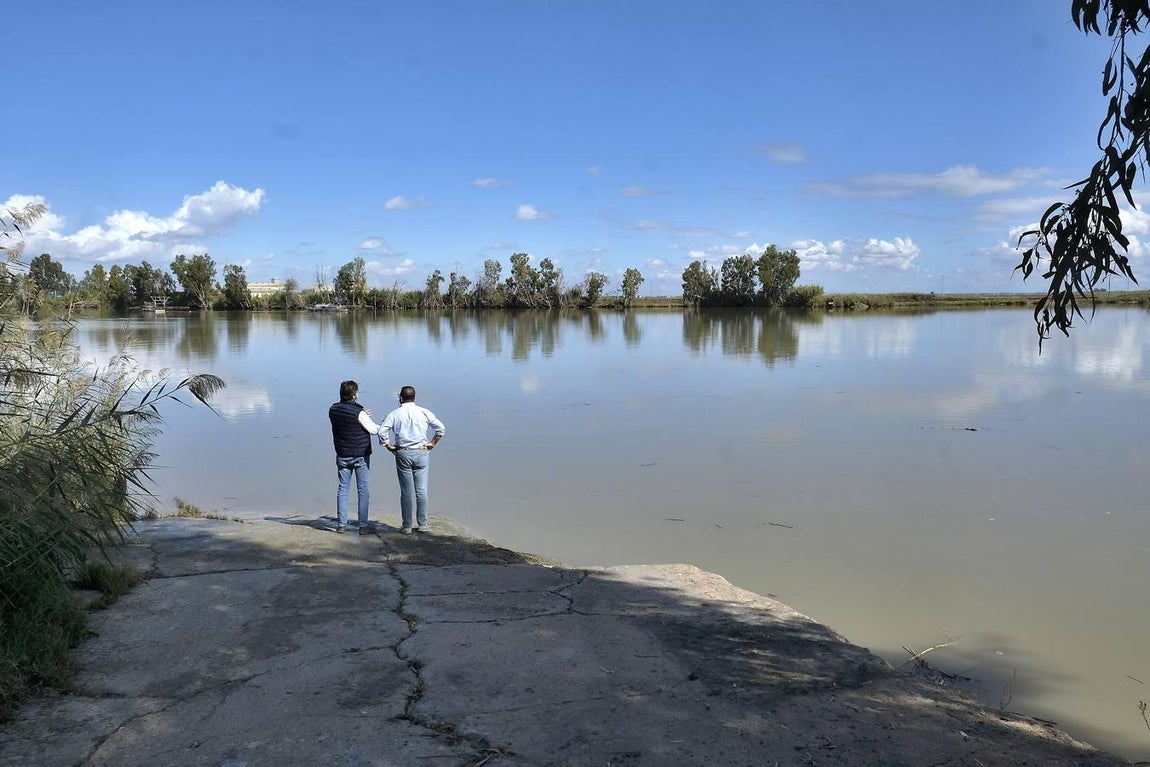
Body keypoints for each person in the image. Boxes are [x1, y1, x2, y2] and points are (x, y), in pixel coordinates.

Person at [379, 385, 445, 534]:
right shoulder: (424, 412)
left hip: (403, 452)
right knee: (421, 491)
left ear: (400, 398)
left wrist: (388, 445)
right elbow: (441, 428)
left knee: (406, 492)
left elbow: (382, 430)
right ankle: (422, 524)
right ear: (414, 397)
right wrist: (433, 443)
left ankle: (407, 526)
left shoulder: (395, 413)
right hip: (422, 452)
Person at [328, 380, 382, 534]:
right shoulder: (359, 412)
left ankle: (341, 525)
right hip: (360, 455)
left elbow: (347, 417)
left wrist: (362, 413)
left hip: (342, 454)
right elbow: (373, 430)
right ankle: (363, 526)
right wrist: (385, 423)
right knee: (363, 490)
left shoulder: (333, 409)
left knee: (343, 489)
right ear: (354, 394)